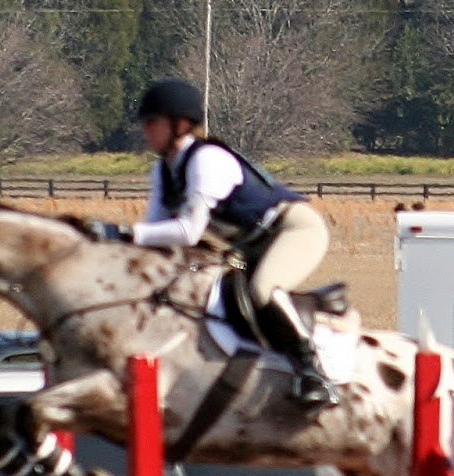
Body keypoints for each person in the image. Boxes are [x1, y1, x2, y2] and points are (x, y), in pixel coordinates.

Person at [92, 78, 339, 408]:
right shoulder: (163, 170)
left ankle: (312, 372)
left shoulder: (206, 160)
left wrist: (124, 233)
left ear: (180, 124)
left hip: (293, 228)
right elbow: (154, 232)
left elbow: (188, 232)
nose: (144, 129)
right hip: (250, 244)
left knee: (262, 289)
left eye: (152, 121)